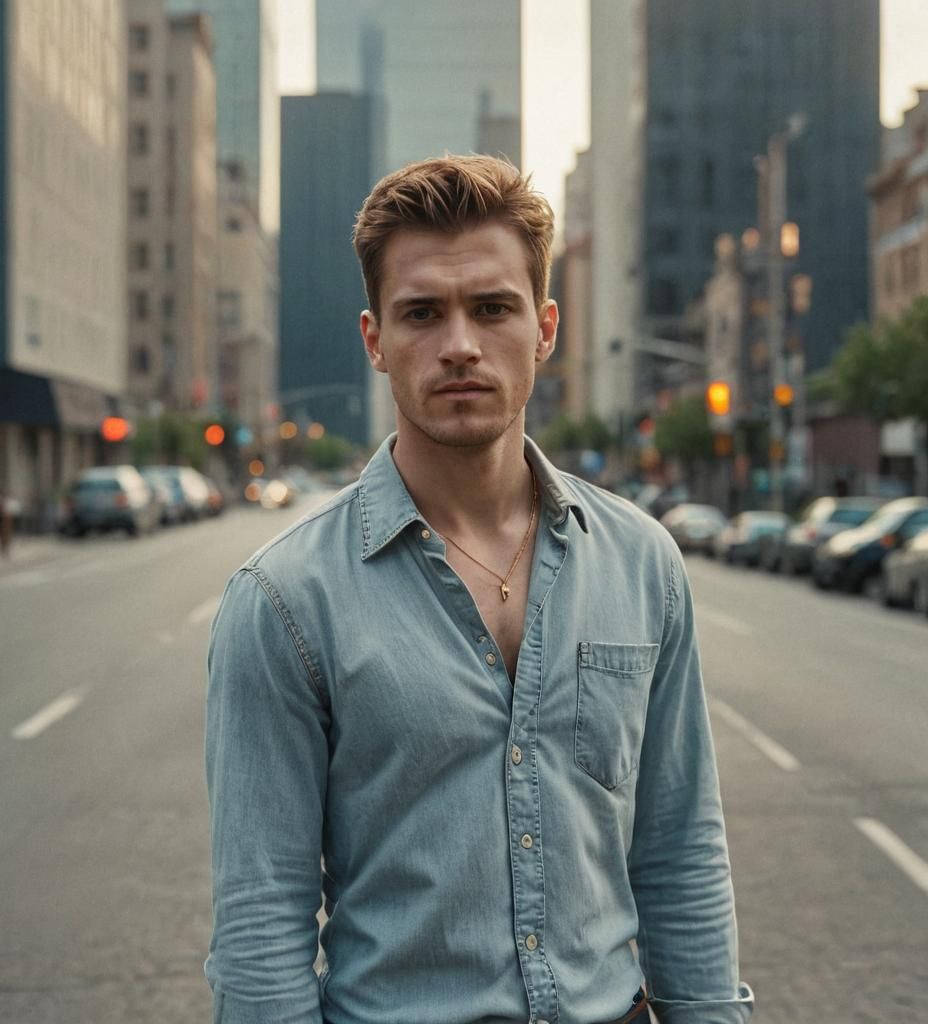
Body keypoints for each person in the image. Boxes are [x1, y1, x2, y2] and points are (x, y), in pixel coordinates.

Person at [206, 155, 754, 1024]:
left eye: (492, 308)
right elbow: (259, 921)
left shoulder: (644, 564)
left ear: (543, 328)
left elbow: (680, 851)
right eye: (422, 312)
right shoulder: (283, 601)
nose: (459, 343)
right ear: (375, 339)